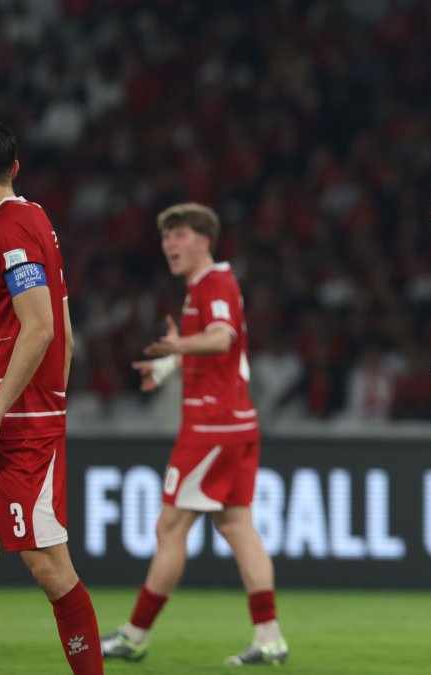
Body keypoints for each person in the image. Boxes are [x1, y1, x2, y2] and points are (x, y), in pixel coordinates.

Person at [100, 203, 287, 666]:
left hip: (211, 427)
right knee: (237, 526)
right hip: (235, 423)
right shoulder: (205, 285)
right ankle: (269, 637)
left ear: (204, 240)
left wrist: (179, 345)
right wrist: (172, 363)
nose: (169, 245)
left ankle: (134, 635)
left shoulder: (214, 282)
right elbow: (222, 347)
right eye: (165, 237)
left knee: (171, 526)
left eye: (178, 235)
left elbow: (222, 337)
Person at [0, 121, 103, 674]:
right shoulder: (29, 220)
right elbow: (62, 321)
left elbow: (39, 327)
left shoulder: (10, 232)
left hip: (9, 427)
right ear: (15, 167)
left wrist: (8, 411)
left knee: (49, 568)